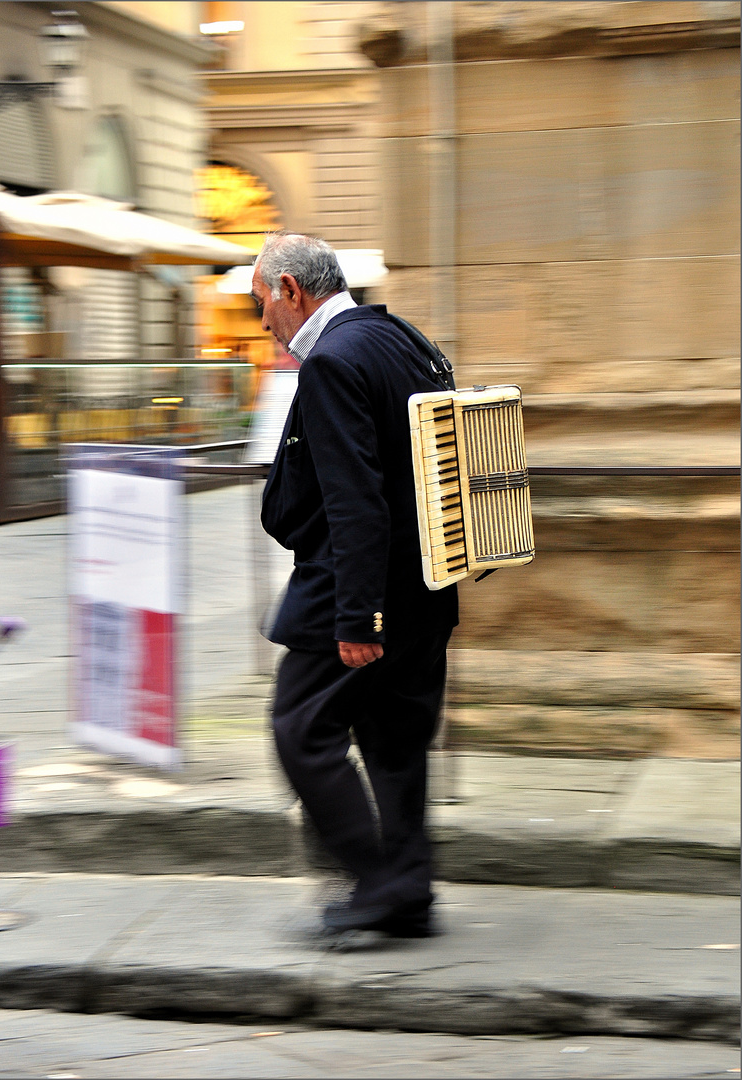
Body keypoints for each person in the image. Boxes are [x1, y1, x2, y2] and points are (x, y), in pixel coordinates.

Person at [253, 231, 459, 937]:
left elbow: (355, 498)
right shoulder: (398, 337)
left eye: (262, 302)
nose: (262, 321)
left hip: (357, 589)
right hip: (426, 583)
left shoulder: (333, 362)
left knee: (300, 728)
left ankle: (375, 882)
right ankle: (407, 890)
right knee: (394, 736)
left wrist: (357, 619)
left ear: (290, 290)